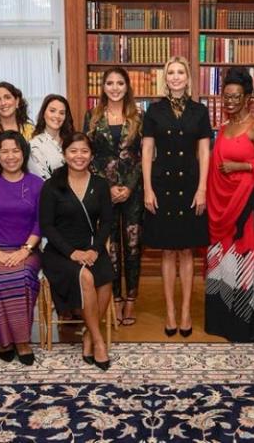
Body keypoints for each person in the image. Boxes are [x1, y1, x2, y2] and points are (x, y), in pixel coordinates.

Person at [142, 56, 210, 337]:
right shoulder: (154, 110)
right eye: (171, 72)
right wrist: (147, 188)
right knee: (168, 250)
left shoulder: (200, 110)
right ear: (165, 77)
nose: (176, 77)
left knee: (187, 251)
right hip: (162, 186)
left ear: (188, 77)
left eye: (181, 72)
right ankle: (170, 311)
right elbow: (146, 151)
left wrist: (203, 188)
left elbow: (205, 151)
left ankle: (185, 312)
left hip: (191, 185)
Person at [206, 67, 254, 342]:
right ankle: (223, 322)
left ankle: (246, 324)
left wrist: (241, 165)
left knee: (245, 262)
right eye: (227, 96)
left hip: (246, 207)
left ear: (248, 97)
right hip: (221, 207)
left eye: (236, 96)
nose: (231, 101)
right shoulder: (223, 128)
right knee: (223, 261)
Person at [40, 133, 115, 370]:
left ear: (91, 155)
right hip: (60, 251)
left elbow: (107, 222)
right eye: (73, 151)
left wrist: (94, 250)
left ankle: (88, 336)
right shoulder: (52, 186)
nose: (78, 156)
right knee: (85, 276)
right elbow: (47, 226)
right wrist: (72, 253)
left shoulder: (101, 184)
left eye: (84, 151)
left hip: (91, 247)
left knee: (106, 278)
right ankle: (98, 340)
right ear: (65, 154)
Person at [0, 131, 43, 365]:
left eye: (15, 150)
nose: (10, 156)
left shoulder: (36, 184)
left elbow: (40, 222)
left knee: (21, 274)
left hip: (27, 249)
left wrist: (24, 250)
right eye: (5, 151)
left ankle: (21, 341)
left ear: (23, 153)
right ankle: (4, 340)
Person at [84, 67, 144, 326]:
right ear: (103, 87)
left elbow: (145, 155)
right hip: (103, 192)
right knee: (112, 249)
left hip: (133, 191)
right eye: (110, 83)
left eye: (120, 83)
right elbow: (87, 154)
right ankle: (116, 300)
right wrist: (108, 187)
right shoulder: (93, 116)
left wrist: (129, 186)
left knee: (132, 246)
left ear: (127, 86)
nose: (115, 87)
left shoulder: (139, 116)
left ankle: (131, 300)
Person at [29, 94, 74, 180]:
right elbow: (41, 180)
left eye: (62, 113)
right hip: (50, 192)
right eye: (52, 111)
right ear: (43, 113)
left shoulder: (72, 141)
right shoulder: (34, 145)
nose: (57, 116)